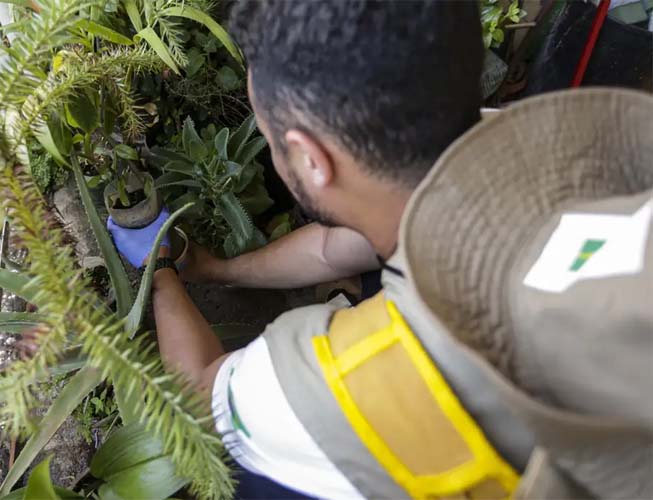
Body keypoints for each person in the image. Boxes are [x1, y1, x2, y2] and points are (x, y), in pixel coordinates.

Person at [108, 1, 653, 497]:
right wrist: (216, 269)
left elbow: (201, 397)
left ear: (311, 158)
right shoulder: (547, 146)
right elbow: (334, 250)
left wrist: (159, 270)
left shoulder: (369, 376)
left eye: (272, 140)